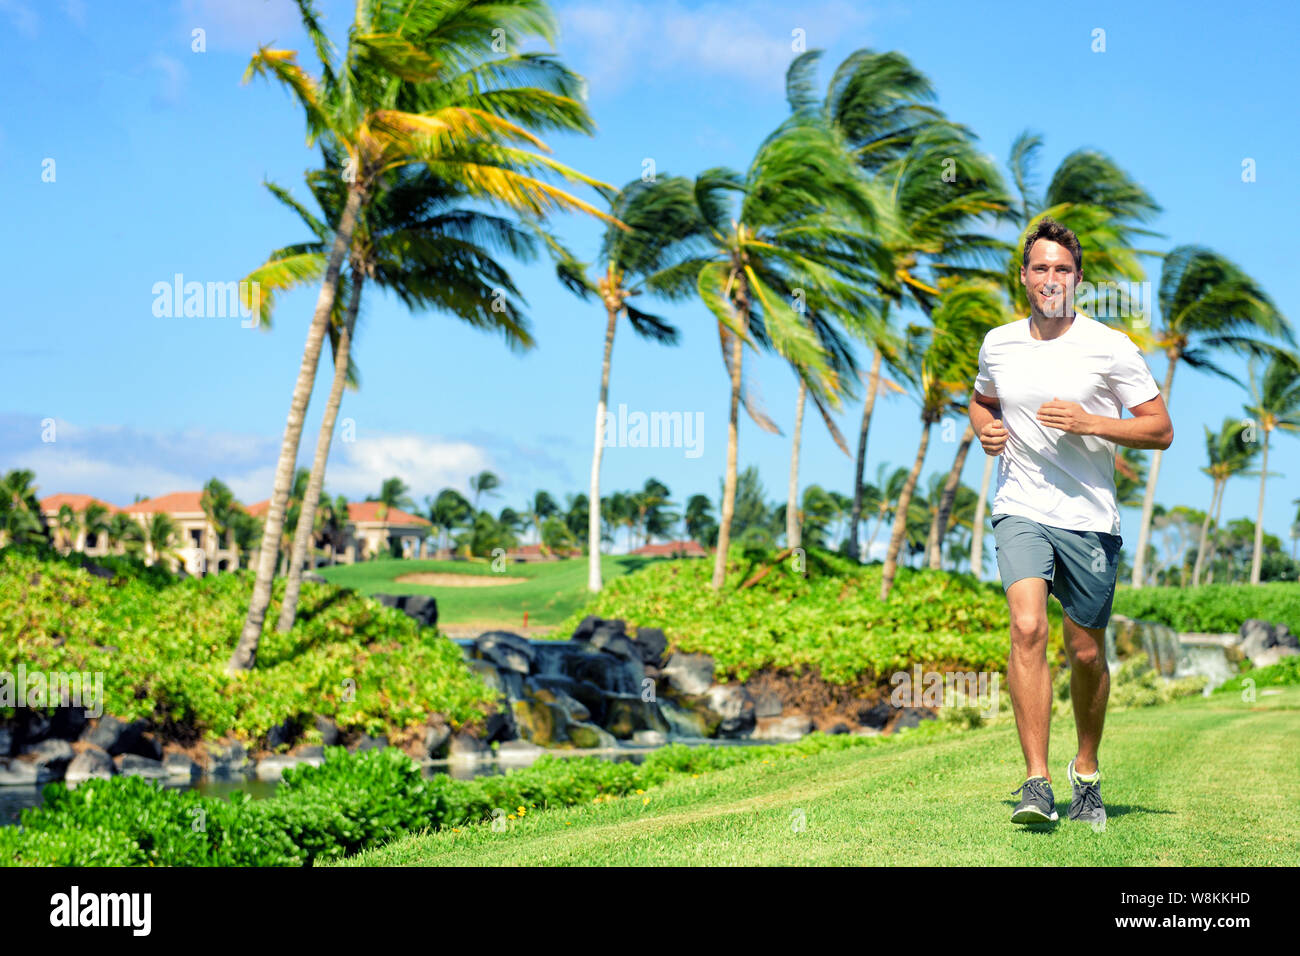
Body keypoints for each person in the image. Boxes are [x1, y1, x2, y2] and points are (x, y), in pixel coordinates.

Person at [969, 217, 1172, 827]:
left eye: (1062, 268)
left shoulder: (1109, 347)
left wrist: (1092, 423)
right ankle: (1037, 783)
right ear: (1025, 277)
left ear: (1077, 279)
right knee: (1026, 627)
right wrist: (985, 429)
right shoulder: (999, 343)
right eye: (1040, 268)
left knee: (1085, 652)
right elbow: (981, 400)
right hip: (1020, 508)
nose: (1051, 278)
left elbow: (1159, 430)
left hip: (1089, 518)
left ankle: (1086, 773)